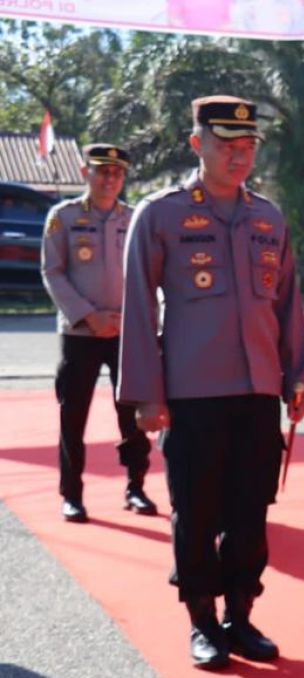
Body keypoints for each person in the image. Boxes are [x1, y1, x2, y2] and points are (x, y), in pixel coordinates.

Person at [118, 95, 304, 671]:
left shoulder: (268, 217)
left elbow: (287, 306)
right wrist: (146, 395)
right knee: (197, 511)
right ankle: (202, 620)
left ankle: (240, 614)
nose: (239, 157)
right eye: (226, 146)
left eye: (248, 146)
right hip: (191, 393)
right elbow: (138, 309)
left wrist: (298, 377)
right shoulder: (160, 215)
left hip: (257, 391)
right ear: (196, 145)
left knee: (250, 511)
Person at [40, 143, 156, 523]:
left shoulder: (135, 217)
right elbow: (52, 272)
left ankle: (136, 486)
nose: (110, 179)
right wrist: (90, 317)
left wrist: (134, 319)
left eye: (117, 173)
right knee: (73, 416)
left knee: (132, 414)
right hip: (81, 333)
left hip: (126, 332)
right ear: (84, 172)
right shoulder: (64, 217)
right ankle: (71, 493)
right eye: (102, 171)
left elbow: (148, 275)